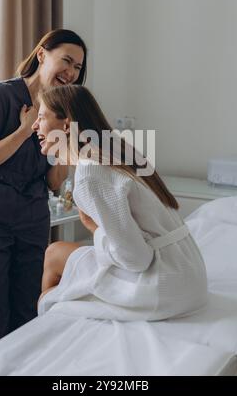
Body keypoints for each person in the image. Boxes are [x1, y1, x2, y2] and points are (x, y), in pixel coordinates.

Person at [0, 29, 87, 351]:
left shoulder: (61, 109)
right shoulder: (0, 96)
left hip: (31, 221)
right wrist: (23, 130)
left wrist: (65, 139)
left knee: (28, 315)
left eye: (78, 67)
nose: (71, 72)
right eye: (66, 60)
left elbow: (55, 183)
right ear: (42, 55)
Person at [33, 85, 208, 321]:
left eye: (41, 117)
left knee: (49, 299)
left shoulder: (90, 173)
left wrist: (94, 228)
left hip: (164, 286)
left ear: (66, 125)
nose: (35, 125)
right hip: (188, 273)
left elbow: (136, 259)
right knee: (54, 253)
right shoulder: (116, 153)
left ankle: (44, 329)